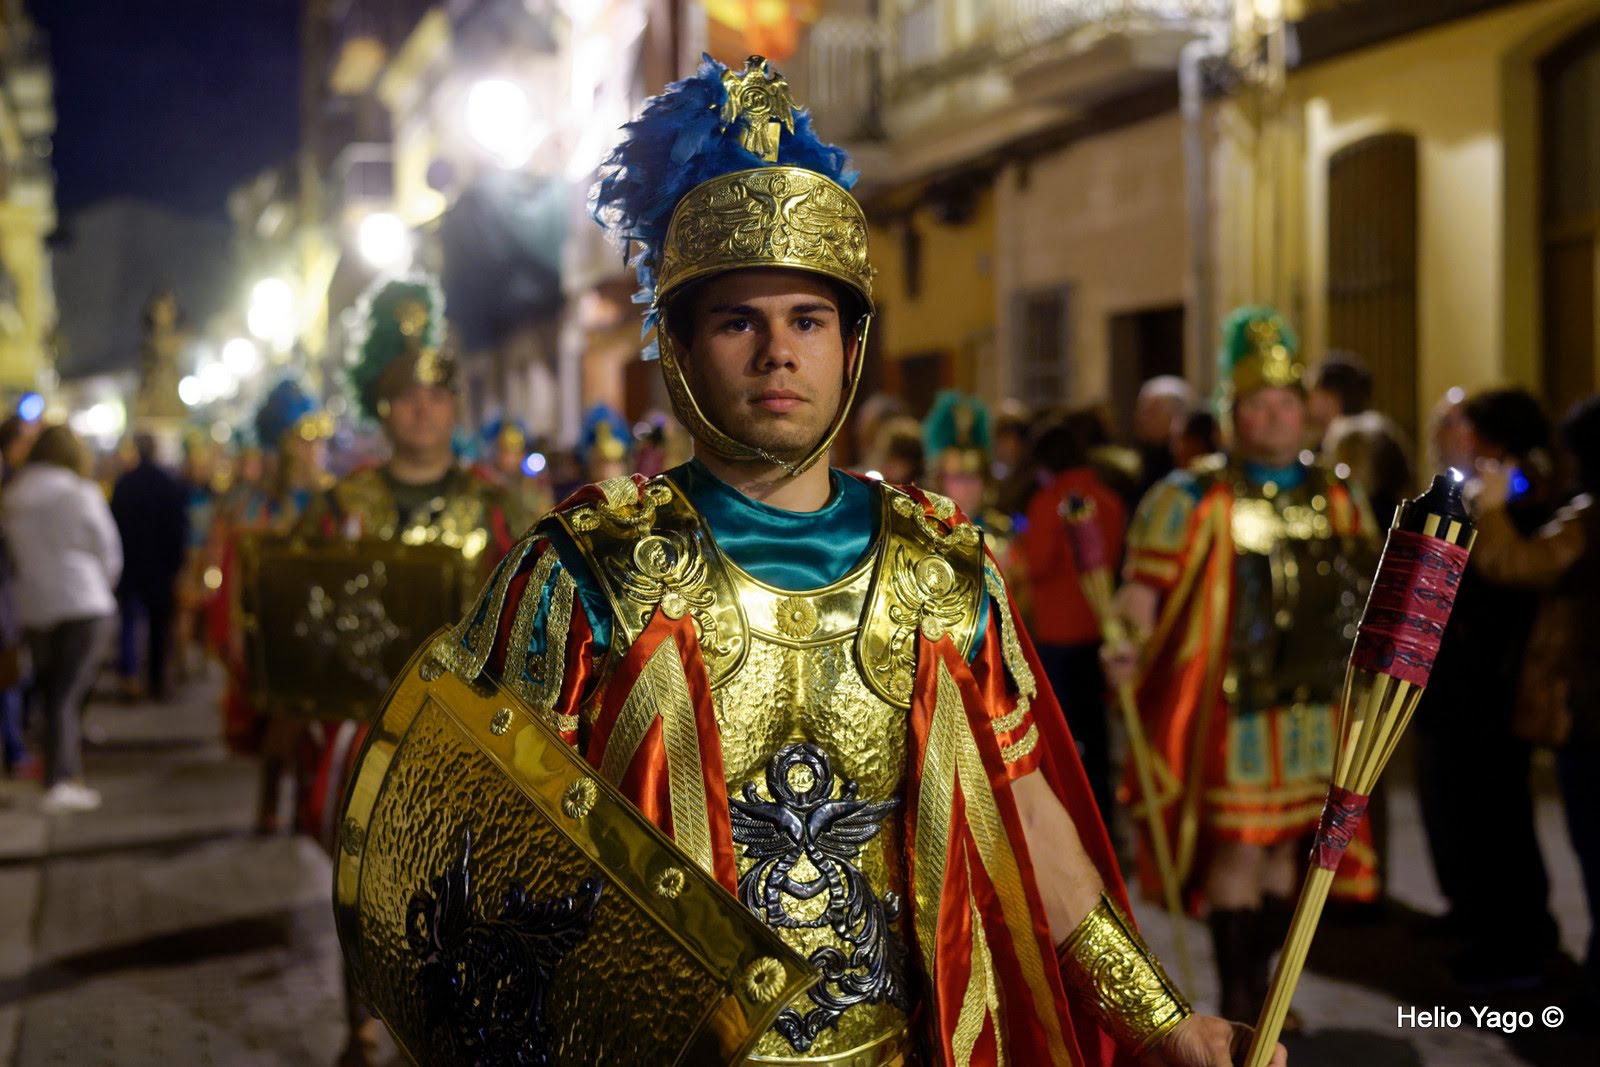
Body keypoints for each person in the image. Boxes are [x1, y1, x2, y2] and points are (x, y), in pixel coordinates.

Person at [367, 56, 1277, 1066]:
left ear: (850, 345)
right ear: (677, 344)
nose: (777, 353)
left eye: (807, 319)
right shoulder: (583, 570)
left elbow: (1026, 817)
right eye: (736, 321)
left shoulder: (941, 568)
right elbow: (478, 853)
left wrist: (1157, 1015)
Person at [1105, 306, 1380, 1025]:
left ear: (1305, 412)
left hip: (1315, 707)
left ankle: (1266, 989)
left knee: (1292, 847)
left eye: (1286, 403)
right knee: (1238, 850)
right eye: (1257, 403)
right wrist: (1124, 641)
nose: (1273, 417)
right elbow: (1140, 593)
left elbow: (1366, 593)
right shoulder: (1189, 495)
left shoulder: (1338, 496)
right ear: (1234, 413)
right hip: (1235, 712)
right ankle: (1234, 994)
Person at [1411, 387, 1562, 993]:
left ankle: (1517, 946)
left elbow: (1504, 577)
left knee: (1499, 819)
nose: (1451, 436)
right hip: (1465, 685)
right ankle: (1480, 923)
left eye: (1462, 426)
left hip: (1492, 689)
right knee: (1467, 814)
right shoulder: (1482, 491)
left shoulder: (1520, 495)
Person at [1469, 393, 1600, 1026]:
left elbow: (1516, 564)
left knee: (1596, 853)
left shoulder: (1587, 519)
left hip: (1589, 712)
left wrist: (1490, 514)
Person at [2, 425, 122, 813]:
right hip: (83, 602)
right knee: (68, 696)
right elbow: (106, 548)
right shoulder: (79, 492)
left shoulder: (13, 496)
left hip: (35, 604)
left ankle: (59, 773)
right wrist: (103, 583)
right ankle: (60, 779)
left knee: (51, 691)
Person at [1019, 413, 1127, 825]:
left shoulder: (1047, 504)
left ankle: (1070, 819)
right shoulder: (1110, 498)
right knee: (1097, 734)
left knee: (1061, 736)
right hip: (1098, 629)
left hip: (1057, 633)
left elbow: (1038, 564)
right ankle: (1103, 815)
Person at [109, 432, 189, 701]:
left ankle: (130, 677)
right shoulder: (167, 484)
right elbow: (178, 528)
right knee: (158, 625)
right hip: (159, 567)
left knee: (129, 622)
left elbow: (113, 527)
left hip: (130, 564)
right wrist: (176, 563)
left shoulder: (124, 484)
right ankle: (156, 680)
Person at [1132, 376, 1197, 501]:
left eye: (1150, 412)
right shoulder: (1140, 467)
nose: (1140, 419)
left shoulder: (1186, 466)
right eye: (1140, 411)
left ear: (1176, 417)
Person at [1305, 349, 1373, 452]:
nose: (1307, 401)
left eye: (1313, 393)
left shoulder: (1351, 450)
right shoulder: (1325, 446)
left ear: (1330, 398)